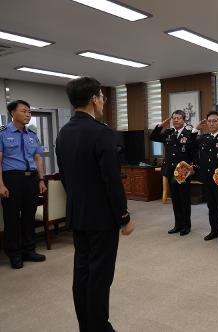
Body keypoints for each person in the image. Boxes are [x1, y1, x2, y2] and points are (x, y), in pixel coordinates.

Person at [56, 77, 135, 332]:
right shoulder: (101, 133)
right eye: (102, 97)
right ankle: (99, 327)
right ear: (94, 99)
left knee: (82, 272)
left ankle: (86, 325)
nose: (103, 101)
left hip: (78, 214)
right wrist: (123, 216)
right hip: (101, 219)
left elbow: (65, 177)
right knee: (100, 275)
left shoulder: (64, 133)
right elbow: (111, 181)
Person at [0, 100, 47, 269]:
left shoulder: (32, 135)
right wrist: (1, 184)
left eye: (29, 111)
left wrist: (41, 179)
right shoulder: (2, 133)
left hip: (31, 179)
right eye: (24, 111)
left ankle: (29, 250)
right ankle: (14, 253)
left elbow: (37, 158)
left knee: (29, 216)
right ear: (13, 113)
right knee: (11, 218)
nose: (28, 114)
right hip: (12, 179)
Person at [150, 110, 197, 236]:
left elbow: (193, 153)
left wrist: (193, 165)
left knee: (184, 200)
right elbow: (152, 137)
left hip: (183, 171)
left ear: (184, 120)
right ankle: (178, 225)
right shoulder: (168, 133)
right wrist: (160, 125)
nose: (175, 120)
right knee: (175, 199)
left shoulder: (189, 134)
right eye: (174, 118)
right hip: (171, 171)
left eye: (178, 118)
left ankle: (186, 226)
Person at [191, 111, 218, 243]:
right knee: (211, 206)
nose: (211, 123)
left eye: (214, 121)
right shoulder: (203, 138)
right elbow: (189, 144)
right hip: (206, 177)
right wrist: (195, 129)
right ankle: (214, 230)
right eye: (209, 121)